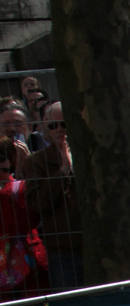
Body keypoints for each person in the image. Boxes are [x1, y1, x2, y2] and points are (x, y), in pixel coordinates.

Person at [20, 101, 81, 290]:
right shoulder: (36, 162)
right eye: (53, 125)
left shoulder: (90, 155)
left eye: (64, 124)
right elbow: (37, 203)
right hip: (62, 250)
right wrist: (63, 171)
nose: (59, 129)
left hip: (96, 243)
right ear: (45, 128)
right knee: (69, 302)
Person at [0, 137, 45, 298]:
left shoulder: (20, 188)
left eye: (2, 158)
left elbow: (28, 221)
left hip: (27, 266)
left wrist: (26, 172)